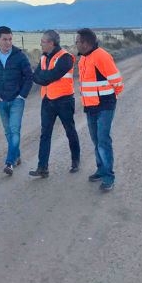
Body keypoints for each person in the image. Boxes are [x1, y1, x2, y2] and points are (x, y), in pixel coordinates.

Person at [75, 28, 124, 192]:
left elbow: (117, 81)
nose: (76, 44)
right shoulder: (83, 58)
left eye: (77, 41)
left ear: (85, 43)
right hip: (90, 106)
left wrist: (111, 98)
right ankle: (101, 169)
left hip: (105, 105)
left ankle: (109, 177)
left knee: (103, 140)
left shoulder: (101, 56)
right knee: (96, 140)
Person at [29, 30, 80, 178]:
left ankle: (75, 161)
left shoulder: (65, 58)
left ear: (51, 43)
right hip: (47, 100)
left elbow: (46, 77)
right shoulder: (44, 57)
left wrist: (41, 77)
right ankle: (42, 167)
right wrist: (41, 77)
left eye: (43, 41)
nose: (41, 44)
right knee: (45, 134)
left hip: (64, 100)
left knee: (70, 131)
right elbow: (36, 77)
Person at [0, 25, 33, 176]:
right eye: (5, 39)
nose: (8, 42)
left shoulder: (20, 56)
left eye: (10, 39)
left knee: (14, 130)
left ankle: (9, 162)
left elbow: (29, 76)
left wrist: (22, 95)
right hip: (1, 100)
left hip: (17, 100)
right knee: (8, 131)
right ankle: (16, 155)